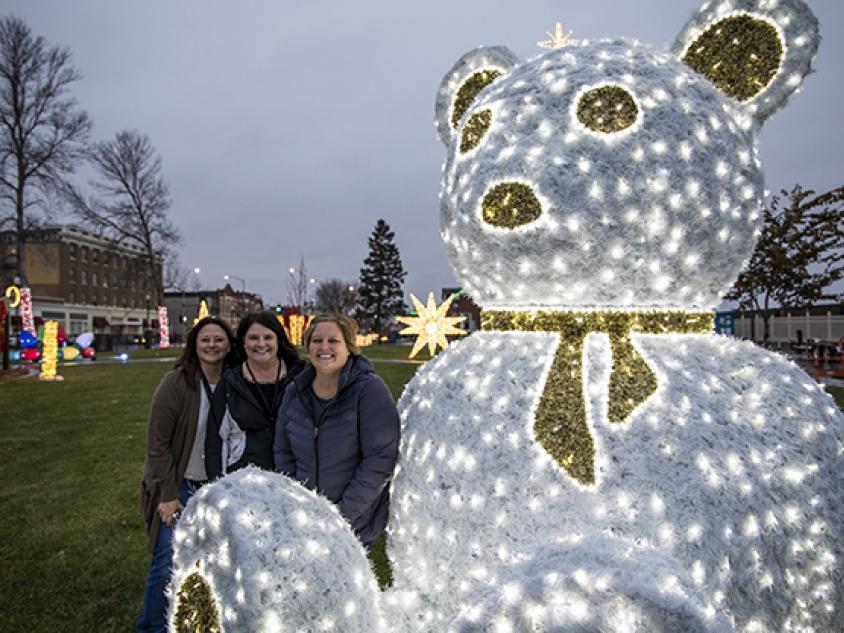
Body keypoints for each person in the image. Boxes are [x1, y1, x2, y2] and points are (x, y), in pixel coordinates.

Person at [137, 316, 237, 633]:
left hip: (218, 488)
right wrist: (167, 495)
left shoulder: (235, 380)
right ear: (194, 343)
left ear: (229, 344)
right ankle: (151, 627)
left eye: (218, 339)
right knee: (168, 558)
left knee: (216, 562)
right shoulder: (178, 381)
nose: (212, 345)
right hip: (180, 484)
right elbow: (158, 443)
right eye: (205, 339)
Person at [274, 313, 400, 547]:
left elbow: (380, 458)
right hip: (303, 520)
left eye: (333, 341)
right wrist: (296, 503)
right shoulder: (295, 392)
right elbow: (283, 452)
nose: (324, 347)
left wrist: (340, 517)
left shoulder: (369, 390)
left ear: (349, 347)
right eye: (317, 340)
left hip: (352, 525)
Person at [205, 311, 304, 478]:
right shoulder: (231, 382)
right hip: (245, 481)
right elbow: (216, 440)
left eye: (268, 337)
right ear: (243, 341)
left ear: (278, 340)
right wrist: (218, 485)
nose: (261, 344)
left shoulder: (300, 376)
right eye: (253, 338)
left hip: (295, 478)